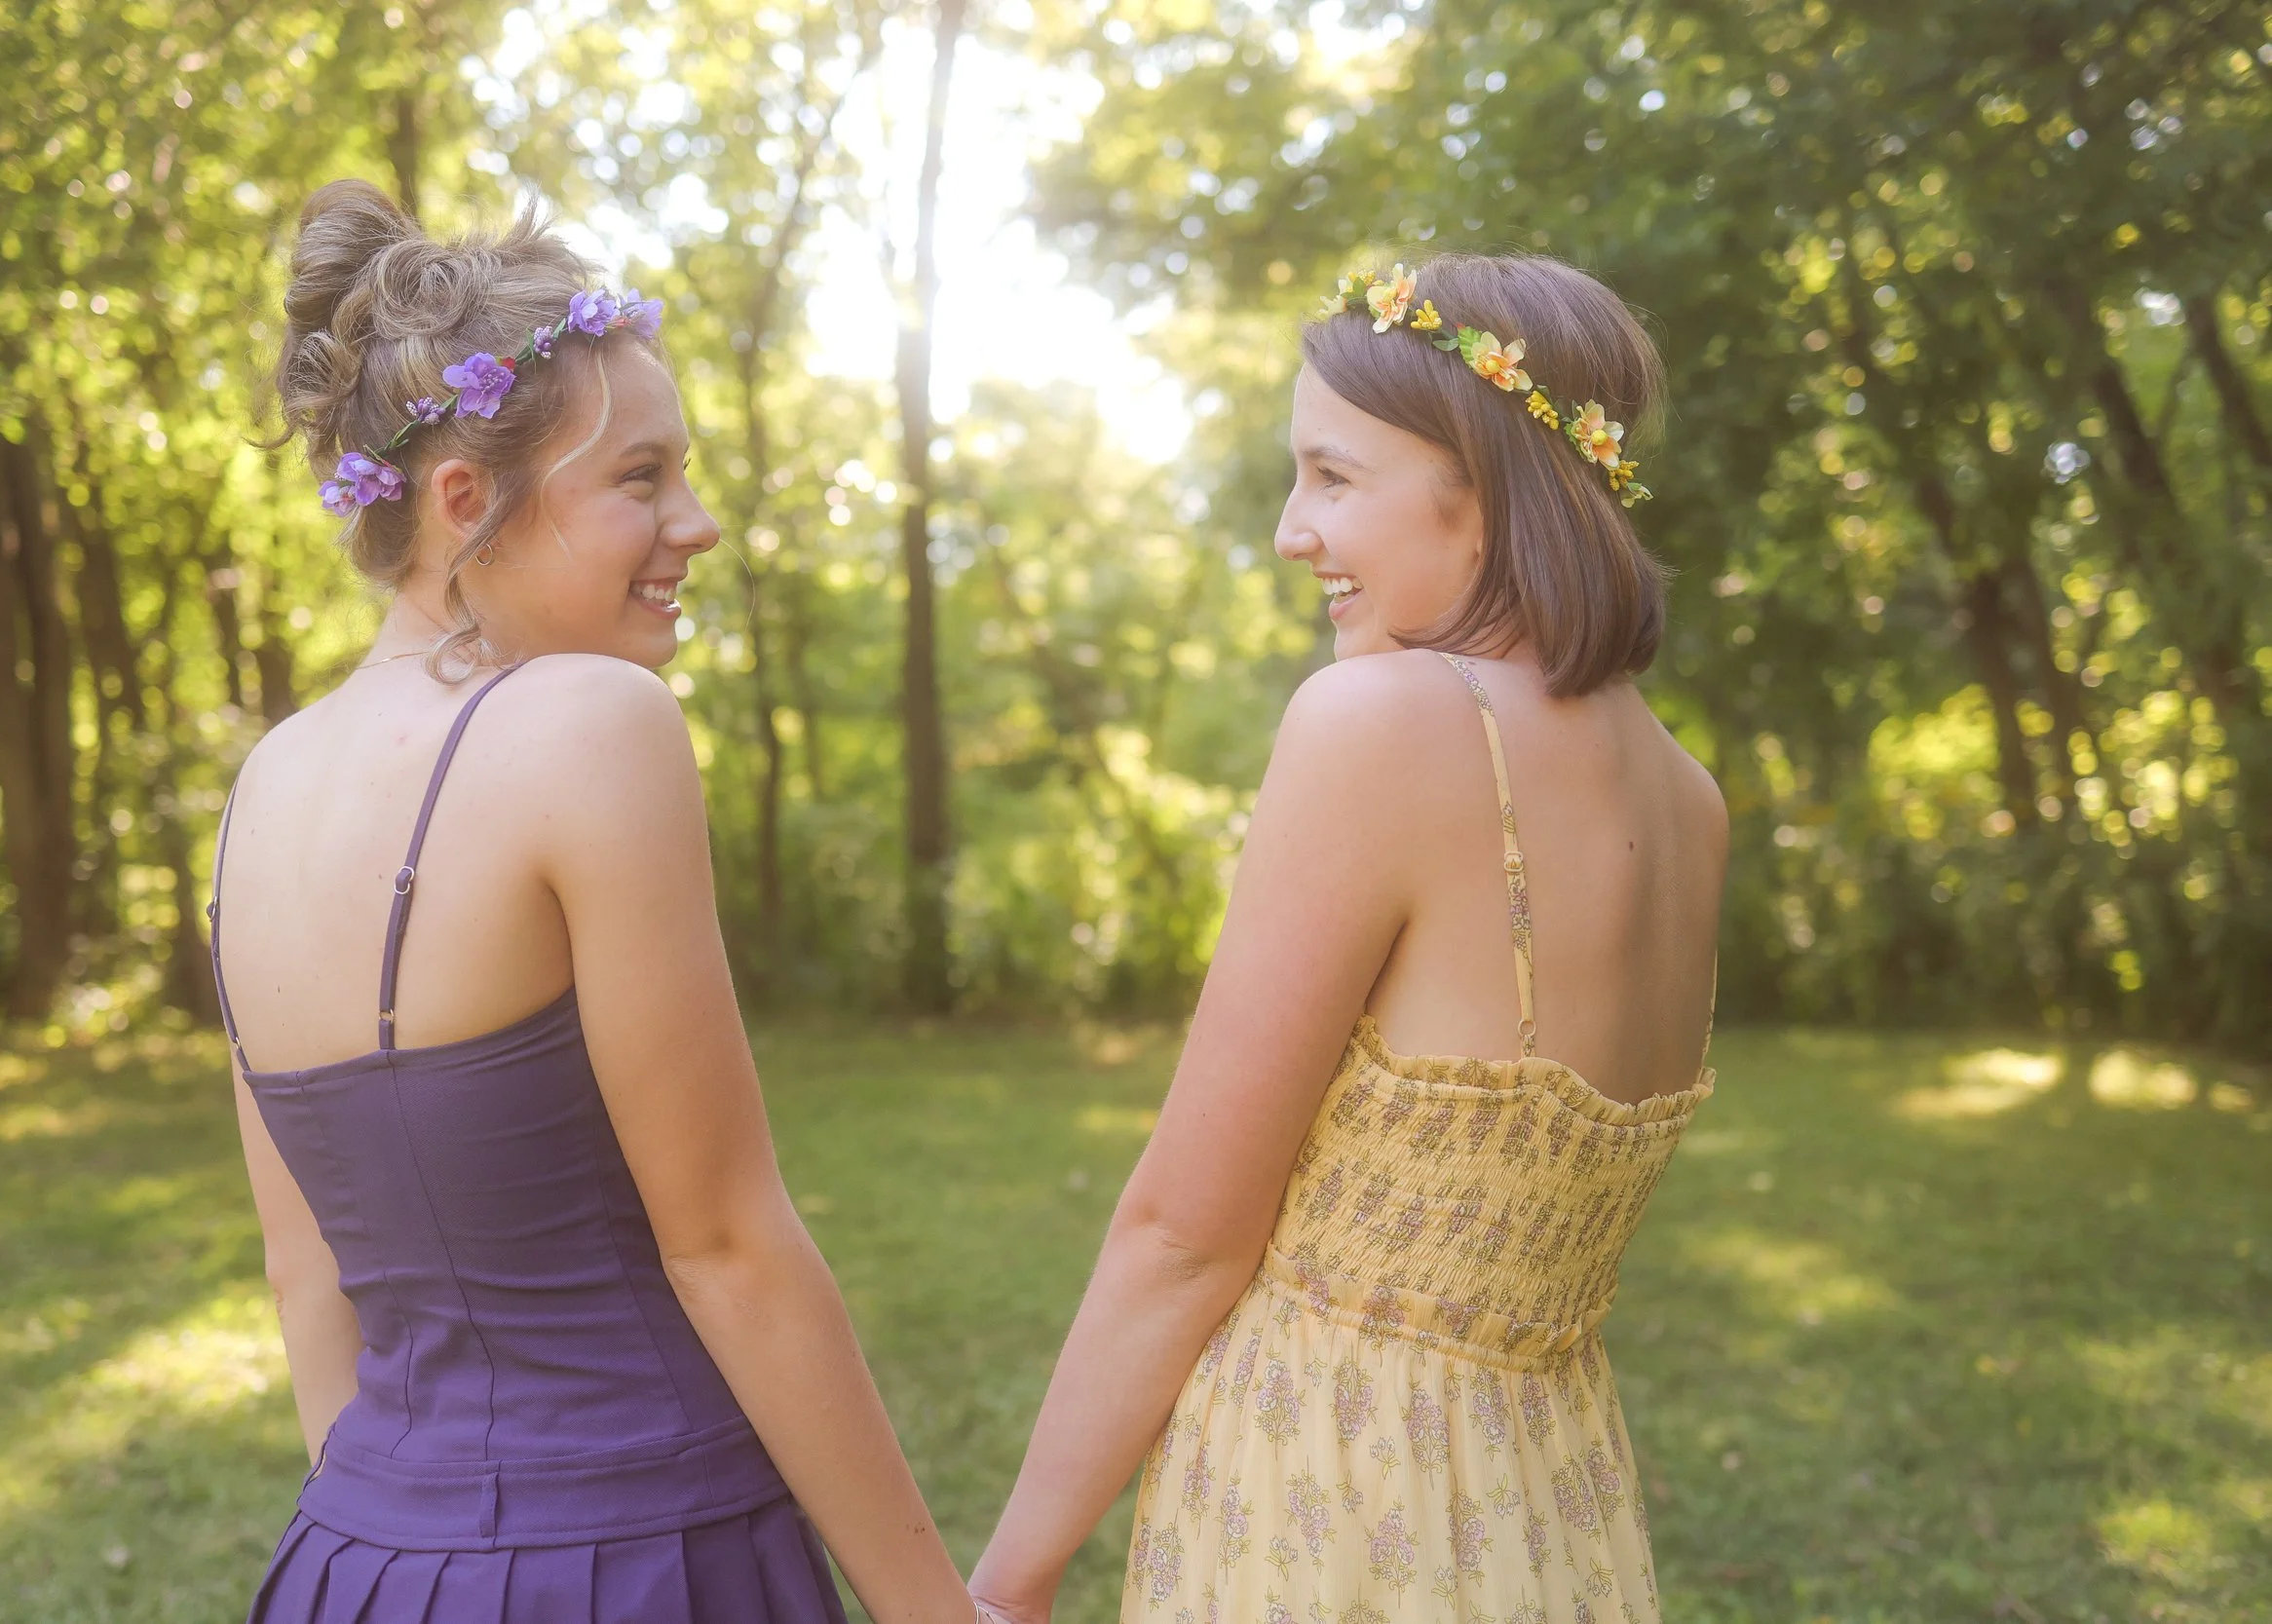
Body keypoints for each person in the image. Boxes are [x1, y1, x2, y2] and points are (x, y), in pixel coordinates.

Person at [217, 179, 982, 1624]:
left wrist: (419, 1549)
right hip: (639, 1552)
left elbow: (301, 1262)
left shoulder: (264, 787)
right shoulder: (588, 725)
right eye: (641, 477)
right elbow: (728, 1244)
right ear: (463, 504)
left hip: (357, 1561)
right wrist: (937, 1610)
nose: (694, 523)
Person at [967, 253, 1725, 1624]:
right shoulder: (1692, 801)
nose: (1288, 531)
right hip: (1550, 1510)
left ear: (1485, 487)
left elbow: (1185, 1234)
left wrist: (1008, 1583)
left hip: (1330, 1497)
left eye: (1332, 477)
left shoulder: (1384, 724)